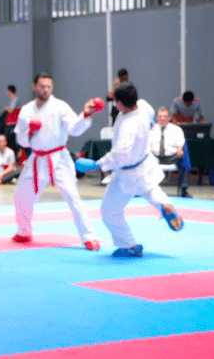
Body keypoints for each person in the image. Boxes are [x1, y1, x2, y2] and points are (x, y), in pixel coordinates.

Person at [79, 85, 184, 258]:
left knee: (109, 211)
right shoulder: (143, 106)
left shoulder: (128, 126)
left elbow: (119, 155)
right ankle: (164, 205)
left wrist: (97, 164)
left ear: (120, 103)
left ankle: (128, 245)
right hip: (145, 163)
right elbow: (150, 116)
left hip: (128, 173)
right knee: (149, 189)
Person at [12, 73, 102, 251]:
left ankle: (89, 236)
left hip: (58, 158)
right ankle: (24, 231)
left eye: (48, 87)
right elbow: (21, 141)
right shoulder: (26, 110)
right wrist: (30, 131)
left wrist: (86, 113)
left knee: (72, 197)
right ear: (34, 87)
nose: (45, 90)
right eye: (41, 86)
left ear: (52, 88)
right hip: (37, 159)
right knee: (21, 197)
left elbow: (75, 129)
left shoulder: (60, 106)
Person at [150, 107, 191, 198]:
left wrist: (180, 150)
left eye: (165, 116)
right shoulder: (151, 129)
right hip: (155, 158)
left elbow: (181, 144)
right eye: (160, 116)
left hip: (171, 157)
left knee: (184, 155)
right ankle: (140, 190)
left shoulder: (176, 130)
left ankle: (184, 189)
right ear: (157, 118)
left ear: (169, 118)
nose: (163, 118)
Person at [0, 85, 20, 152]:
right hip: (10, 122)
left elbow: (11, 110)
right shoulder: (13, 100)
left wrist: (6, 108)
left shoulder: (15, 99)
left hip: (12, 122)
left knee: (10, 139)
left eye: (7, 91)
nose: (6, 93)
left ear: (10, 91)